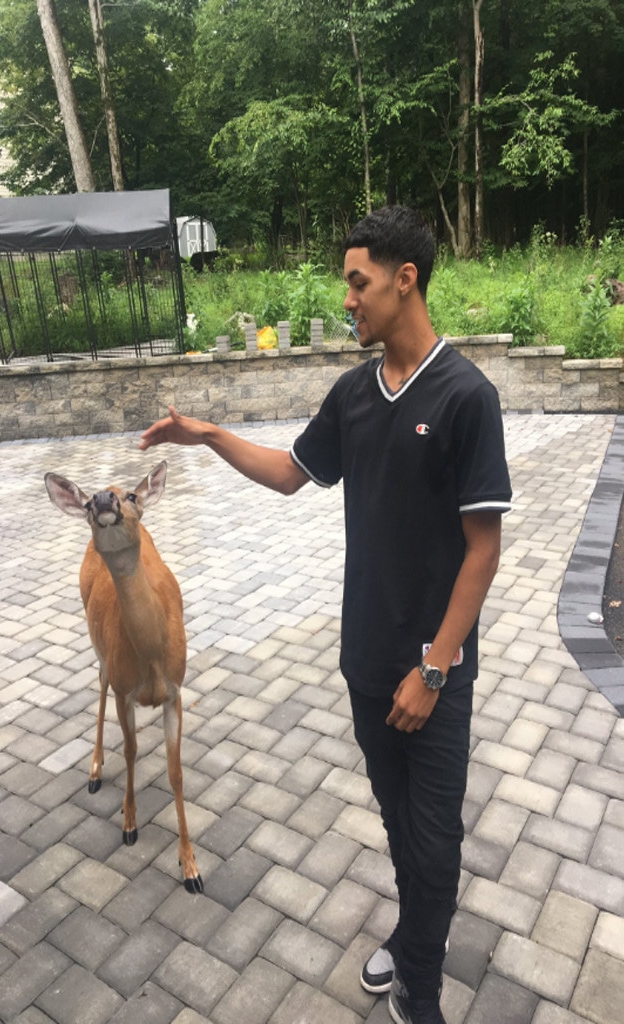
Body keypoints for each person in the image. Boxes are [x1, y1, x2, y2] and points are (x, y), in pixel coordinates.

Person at [139, 205, 511, 1024]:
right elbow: (288, 472)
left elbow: (482, 550)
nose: (348, 299)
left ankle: (421, 987)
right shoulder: (352, 393)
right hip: (365, 663)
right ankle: (414, 935)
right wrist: (206, 435)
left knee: (436, 841)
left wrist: (435, 667)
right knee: (397, 822)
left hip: (433, 673)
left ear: (403, 280)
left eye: (358, 282)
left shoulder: (464, 397)